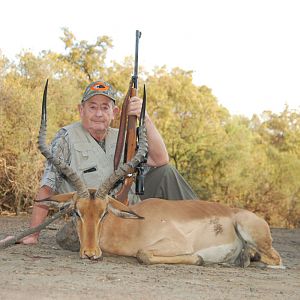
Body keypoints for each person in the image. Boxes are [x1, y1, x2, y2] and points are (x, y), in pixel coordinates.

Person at [14, 80, 198, 245]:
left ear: (114, 112)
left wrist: (145, 117)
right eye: (92, 107)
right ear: (81, 110)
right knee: (73, 237)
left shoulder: (123, 136)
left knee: (166, 172)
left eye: (105, 107)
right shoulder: (66, 138)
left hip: (129, 208)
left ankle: (204, 225)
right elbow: (48, 185)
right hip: (91, 215)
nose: (99, 114)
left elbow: (160, 159)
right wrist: (33, 234)